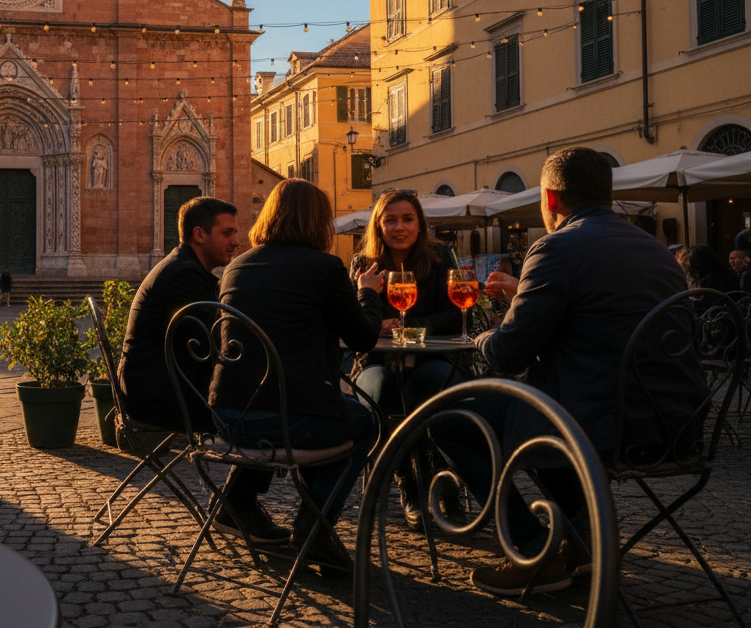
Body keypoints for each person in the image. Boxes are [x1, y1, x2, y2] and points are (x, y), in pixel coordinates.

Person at [435, 147, 707, 596]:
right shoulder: (656, 250)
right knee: (540, 407)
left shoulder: (555, 248)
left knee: (450, 420)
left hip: (602, 427)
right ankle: (579, 541)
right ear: (607, 193)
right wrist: (520, 302)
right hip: (677, 423)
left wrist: (479, 337)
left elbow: (506, 356)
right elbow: (599, 324)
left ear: (550, 198)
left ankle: (537, 549)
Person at [212, 179, 382, 557]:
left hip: (225, 416)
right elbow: (363, 340)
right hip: (287, 422)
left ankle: (235, 501)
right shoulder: (324, 268)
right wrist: (367, 292)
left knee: (279, 399)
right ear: (317, 222)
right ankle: (314, 526)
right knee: (366, 421)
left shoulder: (236, 267)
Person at [119, 197, 283, 543]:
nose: (236, 241)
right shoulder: (184, 276)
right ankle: (237, 504)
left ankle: (238, 502)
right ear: (199, 234)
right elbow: (215, 345)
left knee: (263, 401)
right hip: (158, 398)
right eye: (227, 233)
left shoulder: (188, 269)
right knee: (272, 411)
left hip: (157, 387)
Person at [348, 190, 461, 527]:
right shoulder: (362, 264)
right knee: (382, 394)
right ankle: (409, 484)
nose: (400, 227)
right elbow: (351, 322)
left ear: (419, 223)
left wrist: (410, 326)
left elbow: (455, 315)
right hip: (376, 361)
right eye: (391, 220)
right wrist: (373, 321)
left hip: (430, 357)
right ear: (378, 226)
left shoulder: (440, 256)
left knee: (436, 389)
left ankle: (446, 479)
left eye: (408, 219)